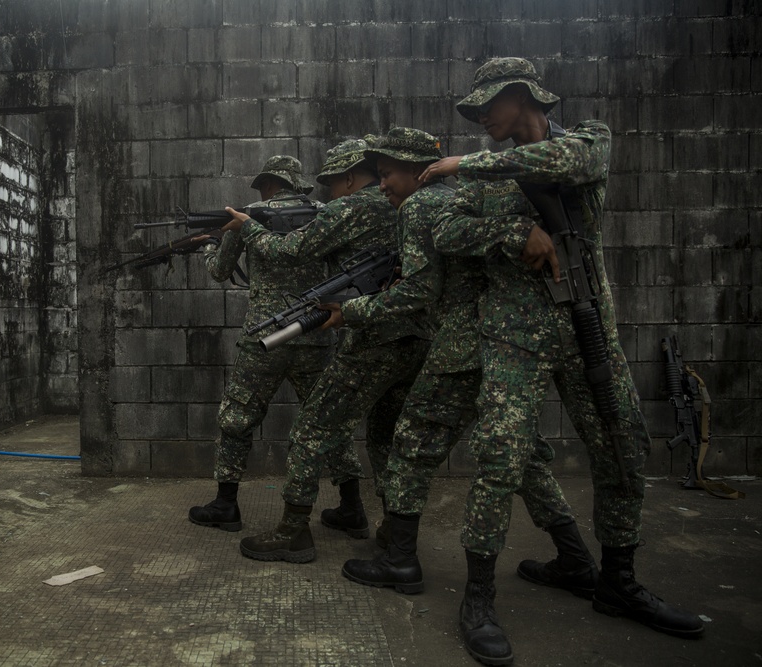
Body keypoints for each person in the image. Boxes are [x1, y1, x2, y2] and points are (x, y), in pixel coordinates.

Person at [422, 57, 704, 665]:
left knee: (623, 445)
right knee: (500, 455)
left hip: (586, 330)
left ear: (521, 96)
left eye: (485, 107)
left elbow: (569, 163)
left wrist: (467, 162)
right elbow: (443, 229)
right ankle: (478, 596)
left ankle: (617, 581)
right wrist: (511, 235)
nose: (479, 120)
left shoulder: (586, 140)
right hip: (514, 334)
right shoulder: (478, 180)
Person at [320, 128, 596, 603]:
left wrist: (352, 312)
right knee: (523, 458)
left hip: (460, 346)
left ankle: (400, 560)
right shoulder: (464, 195)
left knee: (410, 445)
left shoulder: (419, 208)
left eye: (386, 174)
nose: (382, 184)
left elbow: (419, 292)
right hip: (502, 344)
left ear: (414, 171)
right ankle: (574, 556)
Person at [220, 137, 431, 563]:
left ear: (349, 178)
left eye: (331, 184)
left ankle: (293, 531)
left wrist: (249, 228)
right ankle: (390, 531)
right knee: (386, 438)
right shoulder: (411, 204)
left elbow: (290, 248)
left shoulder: (351, 208)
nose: (327, 195)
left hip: (372, 338)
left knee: (311, 430)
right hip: (416, 336)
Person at [188, 156, 336, 532]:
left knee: (237, 417)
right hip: (316, 327)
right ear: (294, 184)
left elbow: (221, 271)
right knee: (327, 419)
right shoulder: (325, 213)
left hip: (265, 334)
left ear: (268, 184)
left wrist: (210, 246)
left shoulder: (248, 218)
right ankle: (352, 506)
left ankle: (226, 505)